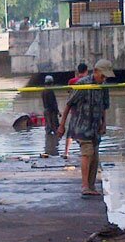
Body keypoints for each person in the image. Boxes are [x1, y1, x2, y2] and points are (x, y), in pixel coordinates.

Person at [57, 59, 114, 196]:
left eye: (106, 77)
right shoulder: (82, 84)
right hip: (81, 126)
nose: (104, 79)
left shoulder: (103, 87)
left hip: (95, 126)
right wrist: (62, 125)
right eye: (102, 75)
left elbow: (104, 107)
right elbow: (69, 104)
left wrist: (104, 123)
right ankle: (84, 186)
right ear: (95, 72)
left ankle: (91, 186)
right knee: (87, 153)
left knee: (95, 157)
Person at [64, 63, 89, 159]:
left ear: (77, 71)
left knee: (70, 132)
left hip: (74, 109)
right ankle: (85, 151)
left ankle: (66, 152)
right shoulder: (88, 81)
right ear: (86, 71)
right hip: (85, 110)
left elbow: (69, 93)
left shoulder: (72, 81)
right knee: (85, 132)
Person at [42, 75, 60, 155]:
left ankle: (48, 146)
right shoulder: (50, 91)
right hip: (51, 112)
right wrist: (58, 111)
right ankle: (55, 145)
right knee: (55, 129)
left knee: (48, 129)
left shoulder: (43, 91)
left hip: (46, 111)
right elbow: (53, 103)